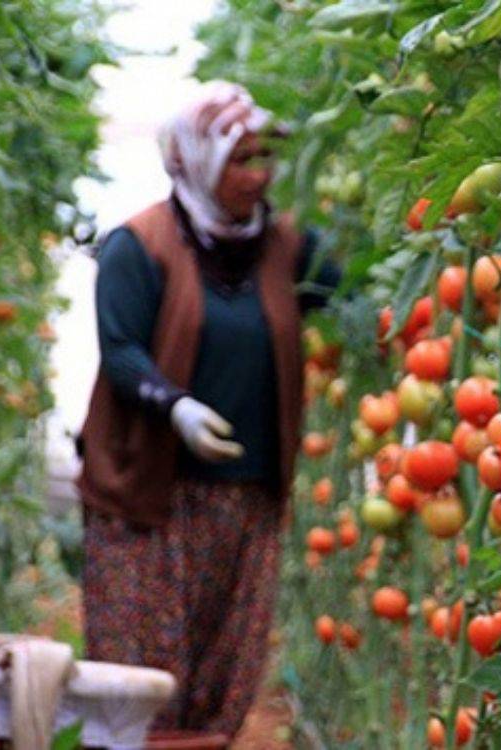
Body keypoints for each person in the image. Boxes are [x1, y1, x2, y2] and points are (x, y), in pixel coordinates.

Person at [76, 81, 339, 737]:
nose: (260, 175)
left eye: (266, 157)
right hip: (151, 499)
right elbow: (121, 349)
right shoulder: (137, 245)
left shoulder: (286, 246)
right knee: (145, 671)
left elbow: (357, 289)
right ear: (194, 161)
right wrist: (178, 409)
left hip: (246, 498)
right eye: (241, 159)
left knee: (226, 665)